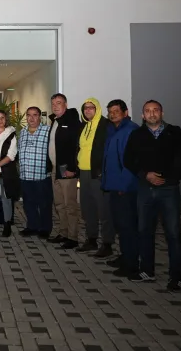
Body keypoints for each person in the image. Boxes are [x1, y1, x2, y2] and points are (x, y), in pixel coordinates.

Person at [124, 100, 181, 290]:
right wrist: (145, 174)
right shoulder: (137, 135)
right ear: (142, 115)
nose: (152, 114)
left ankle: (176, 276)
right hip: (145, 189)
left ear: (162, 113)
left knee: (173, 234)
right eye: (148, 111)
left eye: (155, 110)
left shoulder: (174, 133)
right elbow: (129, 159)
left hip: (169, 190)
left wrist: (167, 177)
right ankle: (147, 270)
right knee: (144, 231)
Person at [102, 100, 140, 278]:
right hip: (114, 185)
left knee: (128, 225)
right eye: (110, 111)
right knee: (120, 224)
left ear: (125, 113)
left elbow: (132, 162)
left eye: (116, 111)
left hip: (126, 188)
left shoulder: (131, 130)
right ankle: (125, 256)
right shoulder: (113, 130)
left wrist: (124, 185)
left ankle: (131, 263)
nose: (113, 114)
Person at [76, 97, 114, 257]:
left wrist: (103, 171)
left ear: (97, 109)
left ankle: (107, 244)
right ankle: (91, 240)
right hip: (84, 173)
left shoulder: (105, 125)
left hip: (98, 173)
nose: (88, 110)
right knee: (87, 208)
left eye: (91, 107)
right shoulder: (84, 126)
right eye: (85, 108)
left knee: (104, 210)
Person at [46, 93, 82, 249]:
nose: (55, 106)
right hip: (56, 168)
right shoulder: (55, 121)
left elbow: (76, 146)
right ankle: (63, 232)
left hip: (67, 169)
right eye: (53, 103)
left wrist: (73, 168)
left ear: (65, 104)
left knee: (70, 205)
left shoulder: (72, 121)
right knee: (59, 203)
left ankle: (73, 237)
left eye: (59, 103)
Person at [18, 106, 53, 238]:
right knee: (28, 204)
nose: (31, 118)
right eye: (29, 115)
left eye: (35, 115)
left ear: (40, 117)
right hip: (25, 175)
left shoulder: (47, 131)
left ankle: (45, 229)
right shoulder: (23, 132)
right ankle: (32, 226)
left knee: (44, 204)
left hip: (41, 176)